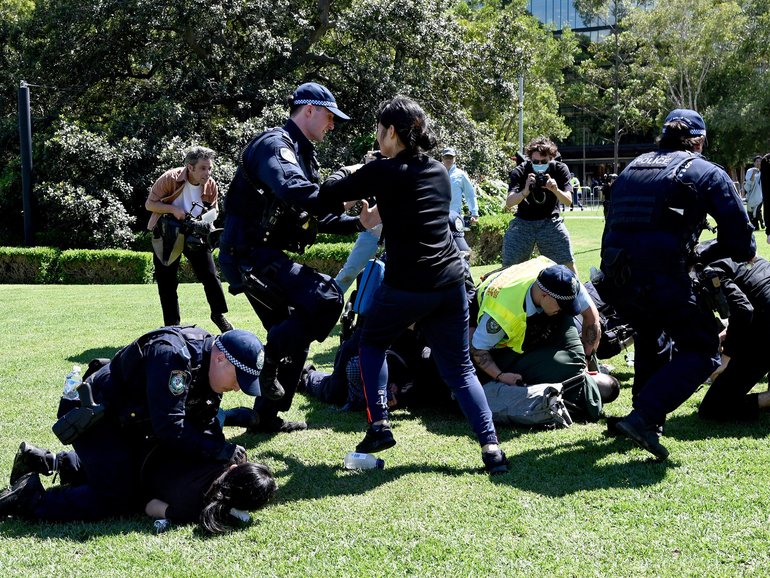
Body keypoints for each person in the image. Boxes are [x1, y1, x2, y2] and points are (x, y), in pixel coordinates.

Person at [319, 95, 508, 474]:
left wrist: (353, 169)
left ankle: (379, 425)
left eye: (378, 130)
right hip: (451, 282)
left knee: (371, 343)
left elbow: (329, 192)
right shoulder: (438, 170)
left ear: (391, 131)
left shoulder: (384, 171)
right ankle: (492, 449)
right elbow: (397, 206)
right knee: (460, 370)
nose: (376, 137)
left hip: (407, 283)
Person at [599, 108, 756, 461]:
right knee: (703, 350)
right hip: (663, 275)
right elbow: (743, 245)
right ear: (699, 140)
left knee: (650, 335)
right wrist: (701, 254)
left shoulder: (632, 167)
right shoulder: (705, 171)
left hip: (617, 276)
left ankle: (643, 419)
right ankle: (645, 417)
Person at [218, 82, 368, 433]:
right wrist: (349, 186)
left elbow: (313, 214)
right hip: (248, 255)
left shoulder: (302, 154)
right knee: (327, 297)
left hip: (262, 254)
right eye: (330, 117)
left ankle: (264, 417)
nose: (332, 125)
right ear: (310, 110)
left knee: (293, 333)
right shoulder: (275, 145)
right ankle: (268, 364)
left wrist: (359, 222)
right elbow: (296, 193)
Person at [0, 327, 266, 521]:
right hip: (97, 418)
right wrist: (220, 451)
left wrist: (223, 454)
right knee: (119, 497)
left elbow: (202, 419)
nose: (238, 388)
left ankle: (42, 461)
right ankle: (30, 499)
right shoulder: (174, 357)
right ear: (221, 359)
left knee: (133, 468)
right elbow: (171, 429)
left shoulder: (207, 364)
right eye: (238, 379)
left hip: (131, 422)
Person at [2, 445, 277, 534]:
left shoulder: (220, 452)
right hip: (135, 479)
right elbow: (149, 507)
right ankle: (30, 498)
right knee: (108, 500)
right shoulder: (192, 510)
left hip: (137, 449)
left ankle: (47, 460)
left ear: (235, 469)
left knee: (100, 468)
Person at [470, 257, 616, 422]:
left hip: (532, 307)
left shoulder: (564, 280)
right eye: (561, 305)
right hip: (495, 331)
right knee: (564, 368)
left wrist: (587, 359)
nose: (564, 310)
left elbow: (591, 317)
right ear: (544, 296)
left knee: (575, 364)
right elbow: (478, 349)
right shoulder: (501, 314)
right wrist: (501, 376)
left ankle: (583, 378)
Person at [145, 146, 233, 332]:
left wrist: (207, 220)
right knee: (167, 282)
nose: (207, 173)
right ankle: (172, 327)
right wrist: (173, 210)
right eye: (203, 168)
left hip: (195, 235)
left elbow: (214, 209)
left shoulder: (211, 185)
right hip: (168, 233)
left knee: (211, 277)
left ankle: (218, 315)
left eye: (209, 168)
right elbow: (149, 204)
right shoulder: (170, 178)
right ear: (190, 167)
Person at [698, 256, 770, 421]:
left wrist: (726, 359)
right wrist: (727, 334)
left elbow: (744, 311)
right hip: (762, 324)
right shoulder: (745, 256)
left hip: (765, 331)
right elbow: (756, 298)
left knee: (713, 407)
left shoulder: (709, 271)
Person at [502, 137, 578, 274]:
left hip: (551, 222)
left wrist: (555, 190)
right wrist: (525, 191)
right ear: (529, 159)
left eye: (544, 162)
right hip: (523, 223)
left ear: (552, 158)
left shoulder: (560, 169)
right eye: (535, 162)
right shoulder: (520, 171)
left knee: (567, 266)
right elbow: (509, 202)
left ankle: (576, 293)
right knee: (509, 268)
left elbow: (568, 200)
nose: (539, 164)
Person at [441, 147, 479, 225]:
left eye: (451, 157)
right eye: (446, 157)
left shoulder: (461, 175)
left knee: (456, 237)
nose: (448, 160)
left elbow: (470, 195)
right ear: (442, 158)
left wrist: (474, 213)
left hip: (454, 216)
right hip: (438, 216)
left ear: (455, 159)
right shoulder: (436, 173)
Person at [744, 155, 764, 231]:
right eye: (757, 161)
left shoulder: (765, 170)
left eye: (760, 161)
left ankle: (761, 221)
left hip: (760, 195)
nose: (759, 163)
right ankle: (756, 226)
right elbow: (749, 182)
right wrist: (753, 174)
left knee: (757, 210)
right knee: (751, 212)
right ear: (754, 163)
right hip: (752, 195)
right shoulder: (750, 171)